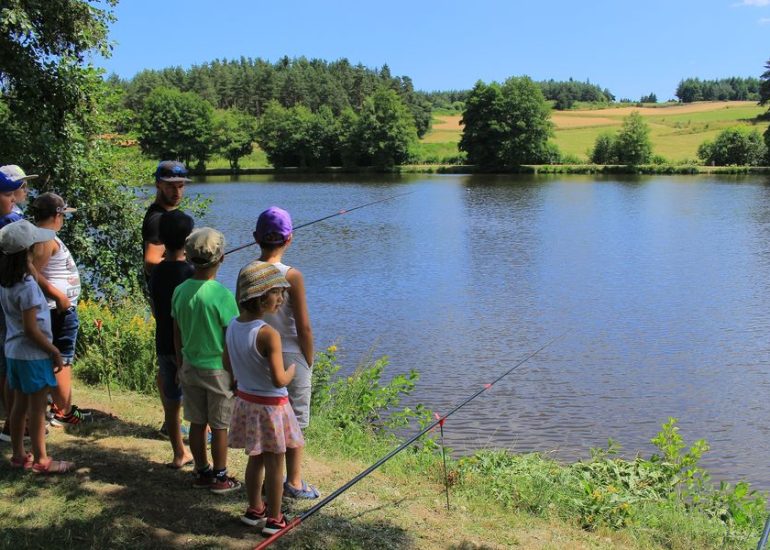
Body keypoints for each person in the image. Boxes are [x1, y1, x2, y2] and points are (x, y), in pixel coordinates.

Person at [227, 261, 303, 535]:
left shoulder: (232, 327)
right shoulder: (268, 334)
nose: (282, 298)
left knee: (255, 459)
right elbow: (278, 379)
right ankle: (274, 518)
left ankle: (253, 508)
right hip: (272, 408)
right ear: (260, 297)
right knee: (275, 464)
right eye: (277, 293)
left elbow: (227, 365)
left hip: (247, 402)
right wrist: (293, 370)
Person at [253, 206, 319, 499]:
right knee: (296, 420)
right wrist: (309, 359)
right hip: (291, 353)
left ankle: (269, 479)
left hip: (259, 354)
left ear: (256, 237)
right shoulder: (293, 276)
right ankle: (293, 482)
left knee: (269, 417)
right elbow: (303, 326)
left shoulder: (248, 272)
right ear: (289, 239)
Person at [0, 220, 74, 473]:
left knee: (19, 405)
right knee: (37, 407)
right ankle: (42, 459)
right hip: (33, 355)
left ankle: (19, 454)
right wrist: (54, 351)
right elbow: (32, 330)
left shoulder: (7, 283)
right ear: (29, 251)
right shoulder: (29, 288)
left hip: (13, 353)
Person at [171, 227, 240, 493]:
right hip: (219, 371)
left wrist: (179, 365)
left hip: (190, 367)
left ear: (187, 257)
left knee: (197, 423)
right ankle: (221, 478)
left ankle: (202, 472)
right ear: (221, 258)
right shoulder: (222, 295)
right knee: (220, 426)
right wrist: (235, 374)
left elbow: (176, 333)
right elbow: (230, 339)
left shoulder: (180, 291)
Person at [31, 193, 89, 426]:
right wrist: (58, 296)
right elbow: (31, 272)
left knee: (58, 357)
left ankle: (59, 406)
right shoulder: (45, 239)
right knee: (63, 358)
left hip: (56, 309)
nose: (64, 219)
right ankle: (65, 412)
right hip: (58, 310)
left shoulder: (44, 236)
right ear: (56, 215)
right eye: (63, 215)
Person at [149, 210, 195, 468]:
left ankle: (179, 452)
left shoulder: (156, 272)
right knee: (197, 399)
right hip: (187, 348)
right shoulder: (190, 273)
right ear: (188, 239)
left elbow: (156, 309)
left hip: (163, 343)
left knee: (171, 400)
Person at [142, 160, 190, 282]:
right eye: (170, 186)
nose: (177, 192)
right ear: (158, 184)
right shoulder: (158, 219)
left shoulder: (166, 215)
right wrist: (187, 261)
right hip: (166, 295)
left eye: (181, 186)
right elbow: (150, 264)